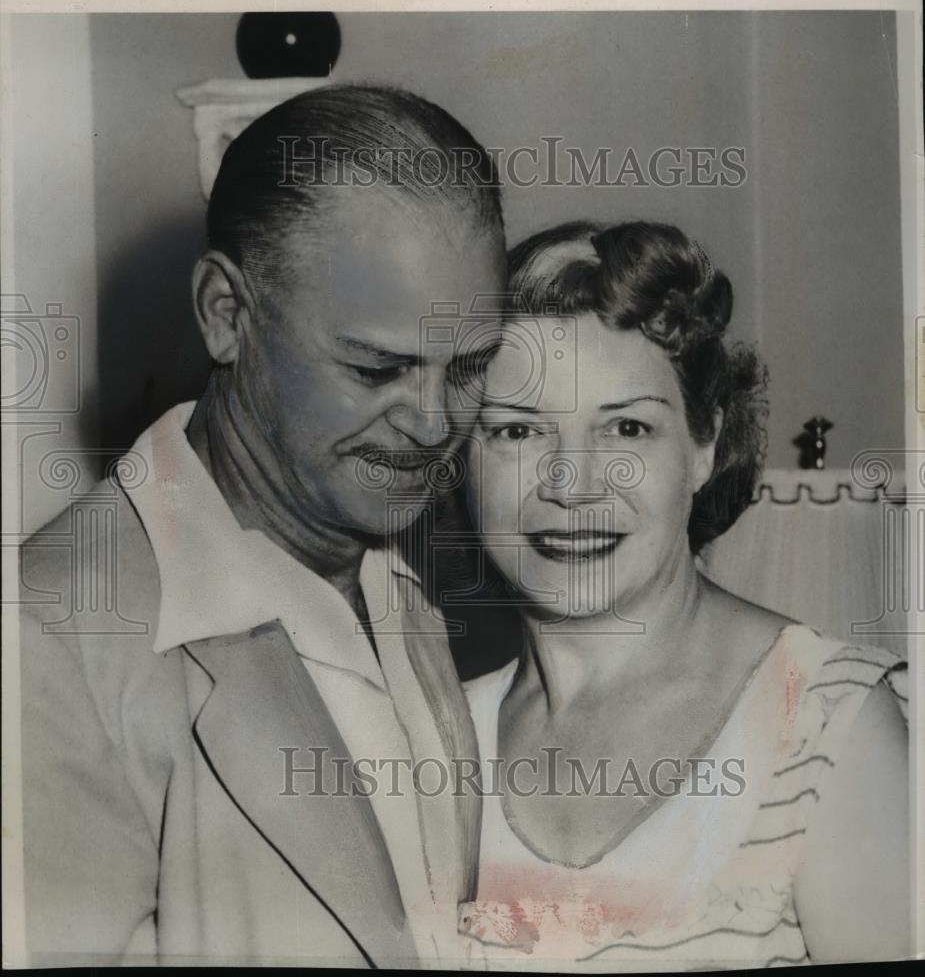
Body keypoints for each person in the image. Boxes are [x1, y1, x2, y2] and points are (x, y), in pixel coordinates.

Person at [18, 84, 507, 967]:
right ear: (226, 314)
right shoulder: (48, 639)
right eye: (376, 367)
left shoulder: (387, 568)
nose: (434, 424)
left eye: (468, 366)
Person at [452, 221, 909, 968]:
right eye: (516, 433)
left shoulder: (829, 725)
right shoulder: (434, 738)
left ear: (702, 445)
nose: (573, 486)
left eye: (626, 428)